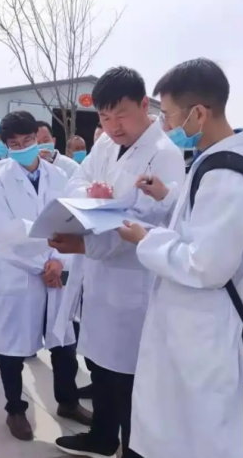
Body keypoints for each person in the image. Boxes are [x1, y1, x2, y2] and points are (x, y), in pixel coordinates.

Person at [117, 58, 243, 458]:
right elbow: (206, 224)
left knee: (195, 437)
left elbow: (206, 265)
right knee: (177, 431)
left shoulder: (230, 178)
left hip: (200, 337)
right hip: (191, 330)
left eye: (170, 115)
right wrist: (169, 196)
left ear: (199, 113)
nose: (166, 126)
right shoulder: (221, 159)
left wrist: (145, 239)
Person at [49, 66, 185, 458]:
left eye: (121, 115)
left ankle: (132, 448)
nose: (113, 126)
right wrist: (93, 195)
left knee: (129, 380)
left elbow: (146, 225)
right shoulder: (106, 145)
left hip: (134, 284)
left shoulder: (164, 155)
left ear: (144, 105)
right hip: (101, 282)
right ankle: (102, 437)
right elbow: (76, 183)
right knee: (100, 368)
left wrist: (86, 242)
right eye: (105, 117)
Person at [0, 111, 91, 441]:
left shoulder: (58, 176)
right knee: (13, 348)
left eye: (28, 141)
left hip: (57, 270)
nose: (23, 148)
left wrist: (57, 262)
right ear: (6, 146)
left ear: (38, 138)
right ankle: (15, 410)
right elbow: (4, 234)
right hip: (18, 273)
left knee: (64, 344)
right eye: (15, 144)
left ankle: (68, 401)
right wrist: (42, 265)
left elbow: (71, 222)